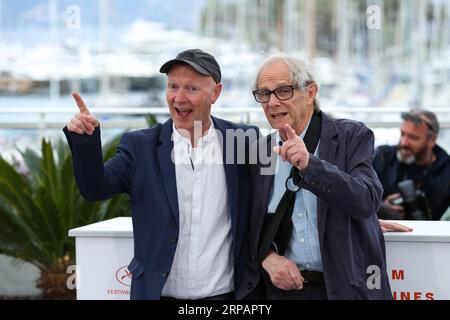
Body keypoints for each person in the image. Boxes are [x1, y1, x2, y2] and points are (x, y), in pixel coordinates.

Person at [63, 49, 259, 300]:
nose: (178, 98)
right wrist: (85, 142)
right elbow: (95, 189)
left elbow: (269, 205)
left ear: (216, 93)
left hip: (226, 295)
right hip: (157, 294)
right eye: (173, 86)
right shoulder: (140, 146)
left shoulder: (242, 141)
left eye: (191, 88)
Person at [246, 54, 394, 300]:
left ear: (311, 92)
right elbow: (246, 224)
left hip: (349, 289)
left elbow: (367, 200)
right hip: (286, 291)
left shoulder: (351, 136)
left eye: (283, 91)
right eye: (264, 94)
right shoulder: (259, 153)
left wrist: (309, 165)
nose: (272, 102)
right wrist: (267, 258)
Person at [373, 110, 450, 220]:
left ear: (432, 140)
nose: (404, 142)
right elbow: (360, 196)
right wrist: (382, 208)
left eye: (413, 138)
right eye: (402, 134)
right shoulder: (382, 157)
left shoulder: (446, 172)